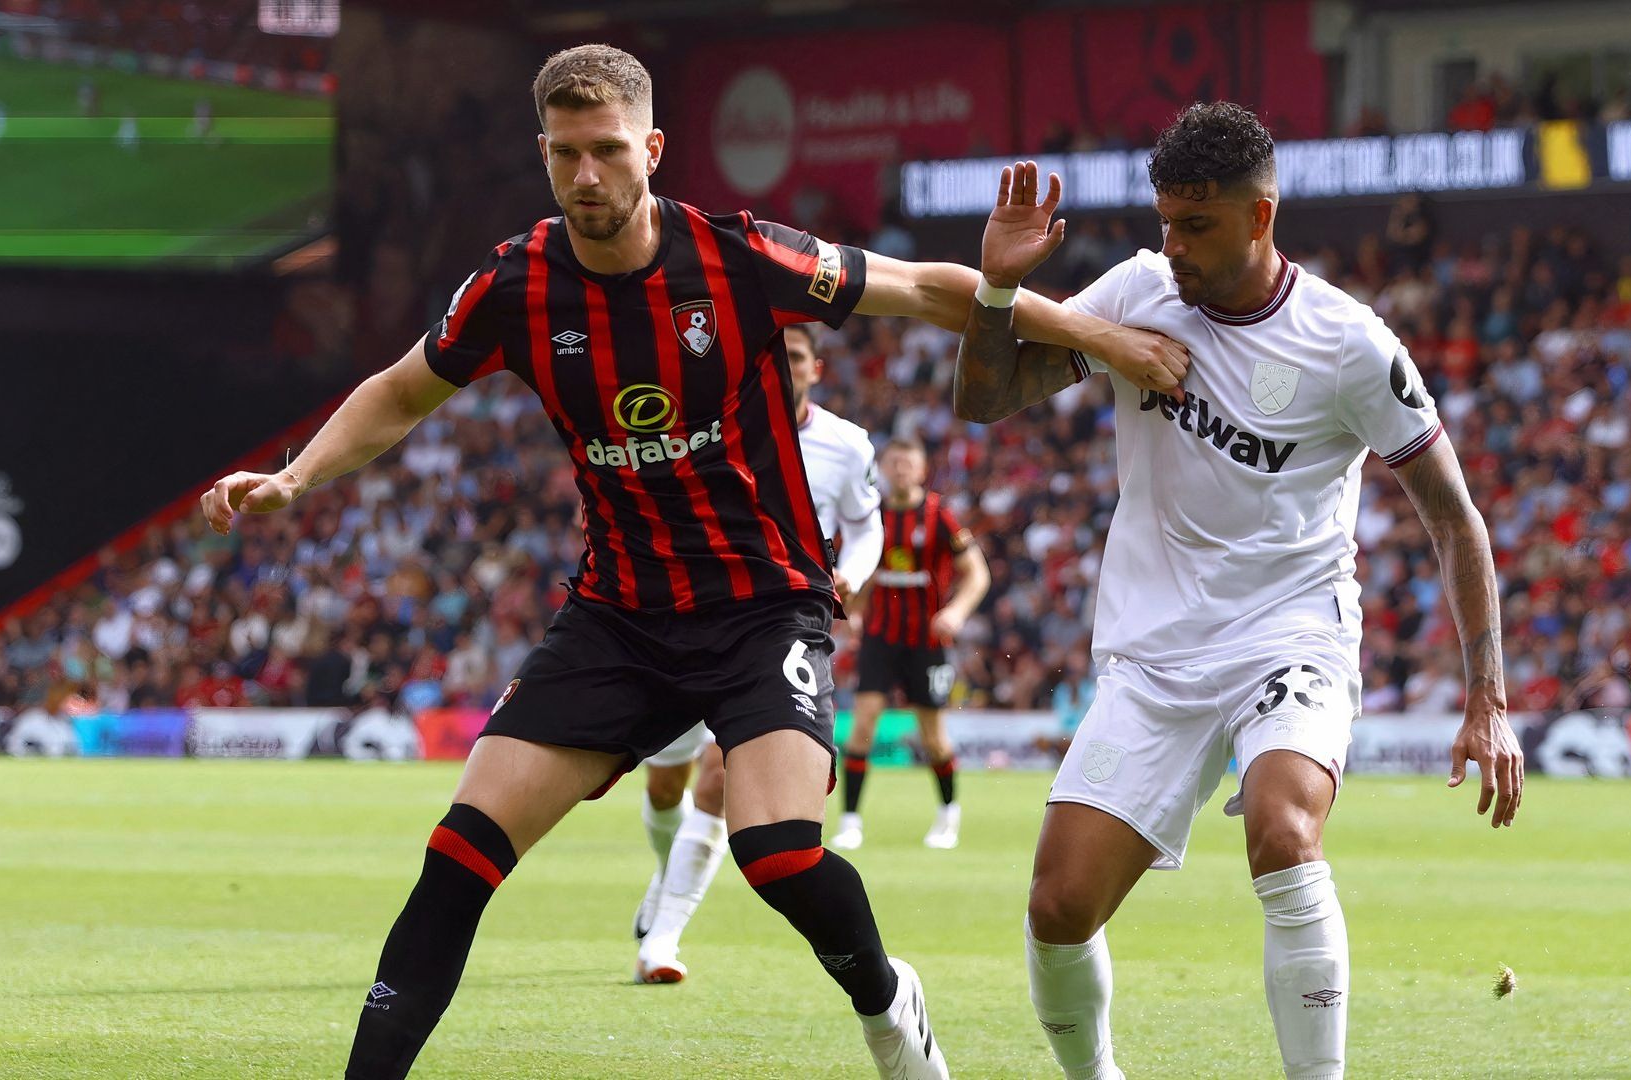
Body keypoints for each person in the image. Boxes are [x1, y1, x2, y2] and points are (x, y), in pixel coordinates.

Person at [200, 44, 1185, 1080]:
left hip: (761, 611)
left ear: (653, 150)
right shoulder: (516, 283)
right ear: (543, 155)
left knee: (780, 854)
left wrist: (1099, 338)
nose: (588, 176)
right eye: (566, 154)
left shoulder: (739, 258)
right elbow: (402, 391)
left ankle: (890, 1000)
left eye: (609, 151)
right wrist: (296, 477)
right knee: (457, 858)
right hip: (618, 615)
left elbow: (925, 289)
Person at [954, 103, 1523, 1080]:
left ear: (1261, 218)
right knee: (1058, 908)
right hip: (1155, 650)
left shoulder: (1349, 344)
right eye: (1166, 222)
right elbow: (986, 399)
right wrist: (1000, 291)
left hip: (1290, 632)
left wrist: (1489, 699)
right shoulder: (1137, 291)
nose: (1171, 246)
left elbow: (1454, 516)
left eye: (1197, 225)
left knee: (1283, 832)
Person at [631, 321, 884, 984]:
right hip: (686, 623)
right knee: (666, 786)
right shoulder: (710, 429)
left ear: (815, 370)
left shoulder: (846, 445)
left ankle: (662, 940)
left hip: (774, 631)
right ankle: (666, 874)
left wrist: (851, 574)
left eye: (796, 356)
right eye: (772, 356)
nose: (784, 366)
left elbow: (866, 524)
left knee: (720, 778)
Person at [831, 438, 990, 851]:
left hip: (926, 641)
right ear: (883, 469)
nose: (901, 471)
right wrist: (857, 611)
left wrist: (956, 612)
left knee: (933, 737)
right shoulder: (871, 517)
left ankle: (948, 815)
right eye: (894, 464)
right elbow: (863, 573)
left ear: (922, 471)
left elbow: (977, 574)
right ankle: (850, 822)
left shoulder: (940, 516)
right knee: (862, 727)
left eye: (909, 464)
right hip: (881, 638)